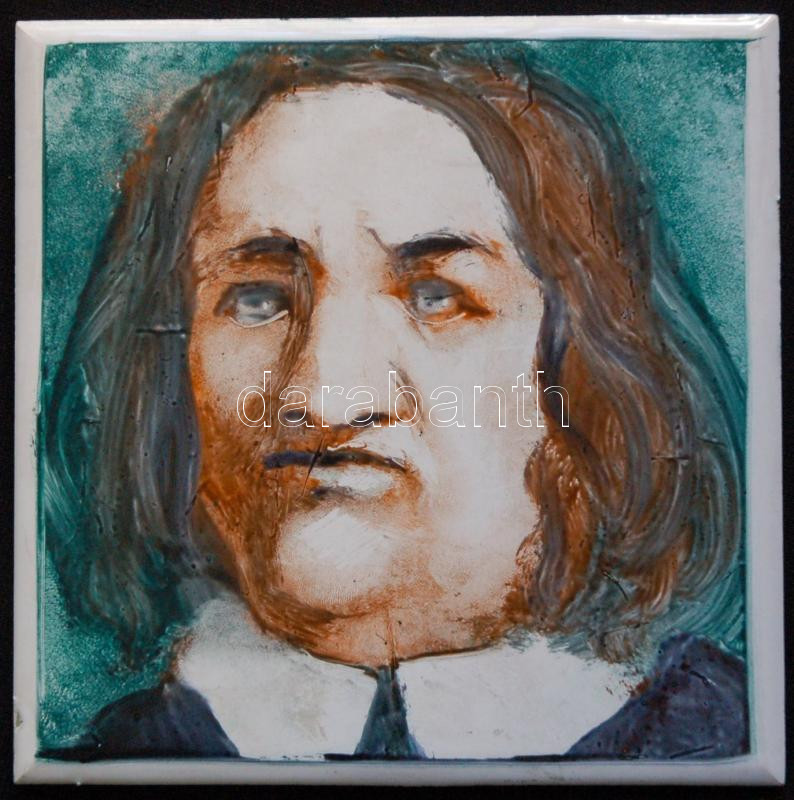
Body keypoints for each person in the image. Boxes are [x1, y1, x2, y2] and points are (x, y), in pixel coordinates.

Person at [43, 42, 748, 762]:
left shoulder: (727, 744)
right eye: (258, 299)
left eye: (437, 297)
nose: (327, 395)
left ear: (591, 383)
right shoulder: (108, 764)